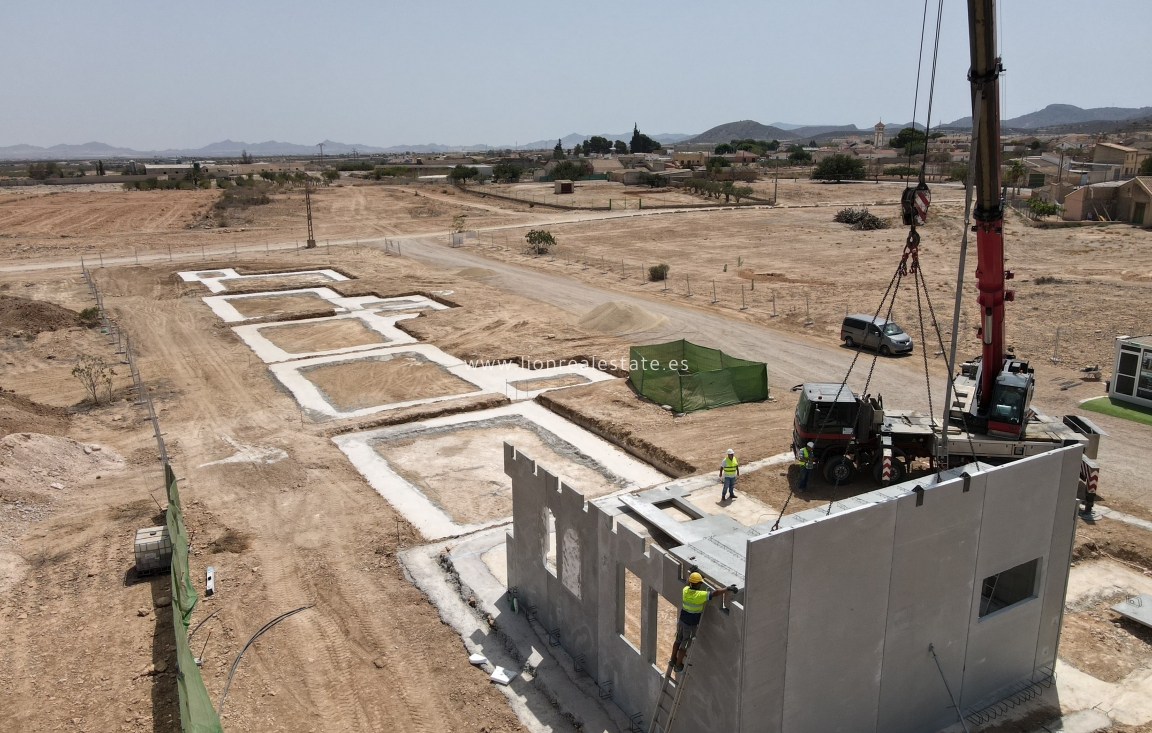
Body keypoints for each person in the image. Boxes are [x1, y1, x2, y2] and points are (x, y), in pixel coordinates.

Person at [670, 571, 737, 672]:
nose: (701, 584)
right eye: (700, 583)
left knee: (677, 640)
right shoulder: (699, 595)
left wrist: (691, 574)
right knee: (684, 646)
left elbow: (688, 583)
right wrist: (727, 589)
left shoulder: (685, 590)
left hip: (682, 621)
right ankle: (678, 665)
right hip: (690, 625)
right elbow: (715, 593)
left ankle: (672, 660)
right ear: (697, 584)